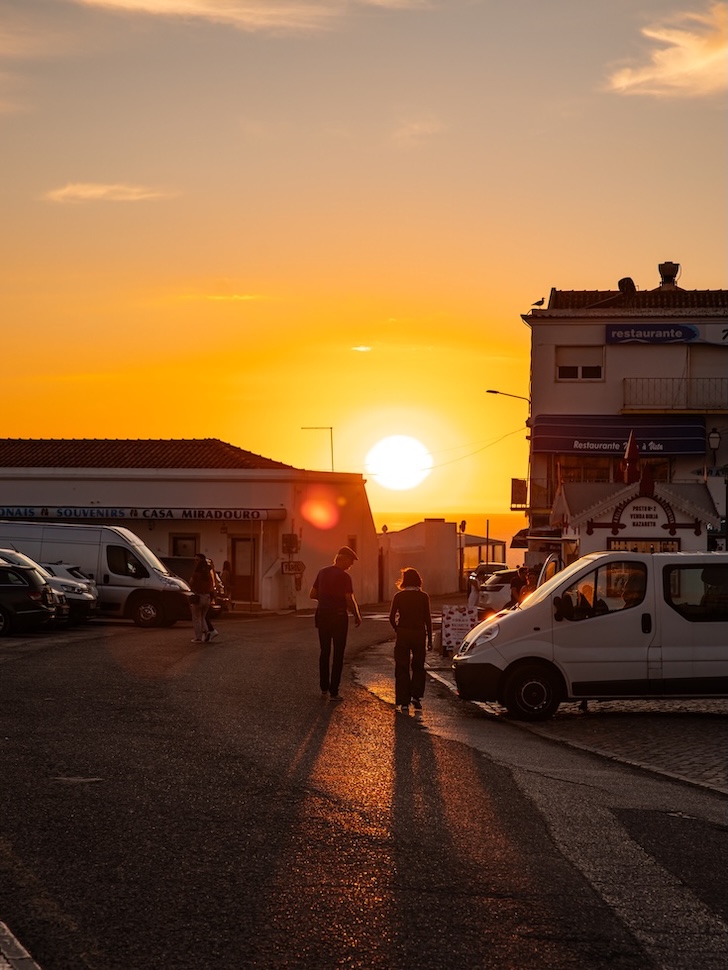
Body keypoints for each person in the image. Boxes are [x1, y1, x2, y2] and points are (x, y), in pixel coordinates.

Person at [309, 546, 362, 700]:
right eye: (350, 561)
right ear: (343, 559)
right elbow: (348, 599)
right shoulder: (345, 577)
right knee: (338, 653)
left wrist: (326, 600)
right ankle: (334, 691)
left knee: (324, 651)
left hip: (322, 615)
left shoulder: (322, 572)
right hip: (339, 617)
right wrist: (357, 615)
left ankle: (324, 687)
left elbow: (312, 594)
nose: (351, 565)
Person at [388, 567, 433, 714]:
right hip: (419, 634)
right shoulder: (423, 597)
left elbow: (391, 617)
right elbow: (428, 619)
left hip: (403, 634)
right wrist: (430, 638)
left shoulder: (399, 596)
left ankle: (403, 701)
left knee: (402, 666)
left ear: (404, 581)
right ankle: (416, 696)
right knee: (418, 666)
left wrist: (397, 628)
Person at [189, 552, 215, 643]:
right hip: (207, 597)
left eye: (196, 560)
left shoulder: (197, 573)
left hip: (199, 596)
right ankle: (207, 632)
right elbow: (212, 585)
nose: (195, 562)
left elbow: (191, 582)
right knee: (203, 617)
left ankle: (198, 637)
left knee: (196, 617)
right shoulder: (208, 573)